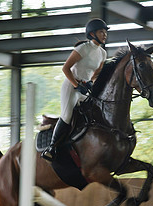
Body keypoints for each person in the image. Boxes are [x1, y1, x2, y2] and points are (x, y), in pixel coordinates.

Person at [42, 18, 109, 161]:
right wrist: (76, 85)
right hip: (71, 85)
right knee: (67, 115)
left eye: (105, 32)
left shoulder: (103, 53)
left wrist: (90, 83)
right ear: (92, 34)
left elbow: (96, 73)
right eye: (101, 32)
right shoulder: (83, 48)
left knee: (92, 114)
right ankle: (51, 148)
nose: (105, 35)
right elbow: (65, 68)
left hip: (85, 88)